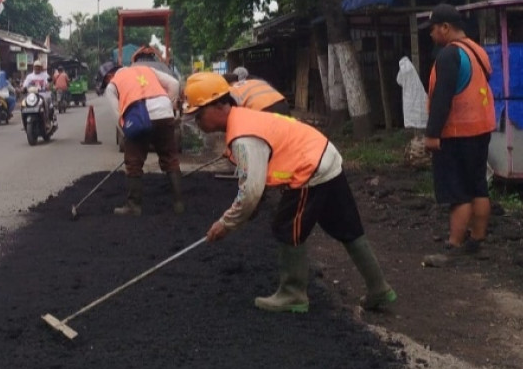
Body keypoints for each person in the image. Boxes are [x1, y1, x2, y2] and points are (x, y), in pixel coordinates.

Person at [183, 71, 396, 313]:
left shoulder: (243, 136)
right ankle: (378, 287)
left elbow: (251, 192)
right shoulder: (244, 117)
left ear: (219, 105)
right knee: (346, 226)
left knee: (287, 227)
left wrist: (226, 224)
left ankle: (292, 293)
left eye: (198, 115)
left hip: (308, 169)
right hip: (325, 155)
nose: (198, 124)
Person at [422, 3, 496, 266]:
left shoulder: (449, 55)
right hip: (481, 129)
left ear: (445, 27)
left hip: (456, 132)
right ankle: (477, 240)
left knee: (457, 191)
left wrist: (432, 135)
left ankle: (454, 245)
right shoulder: (477, 51)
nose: (430, 34)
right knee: (478, 186)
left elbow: (442, 98)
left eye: (432, 29)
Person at [103, 46, 183, 215]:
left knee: (133, 162)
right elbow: (175, 83)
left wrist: (127, 135)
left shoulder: (114, 83)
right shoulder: (149, 70)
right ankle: (178, 204)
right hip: (164, 112)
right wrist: (169, 105)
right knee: (170, 158)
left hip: (139, 117)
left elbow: (118, 115)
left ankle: (134, 206)